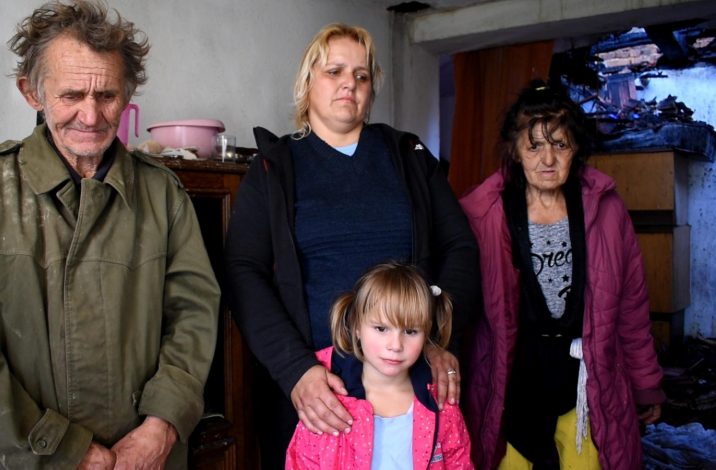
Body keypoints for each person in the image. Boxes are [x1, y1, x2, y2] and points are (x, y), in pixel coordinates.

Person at [0, 1, 220, 468]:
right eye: (71, 95)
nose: (90, 116)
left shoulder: (162, 193)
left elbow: (194, 316)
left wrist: (161, 426)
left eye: (106, 95)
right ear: (32, 92)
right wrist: (61, 451)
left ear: (126, 96)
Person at [224, 23, 480, 468]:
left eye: (362, 75)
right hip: (321, 389)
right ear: (307, 82)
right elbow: (242, 271)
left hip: (409, 381)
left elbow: (461, 247)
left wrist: (439, 338)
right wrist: (295, 369)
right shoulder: (274, 168)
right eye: (335, 71)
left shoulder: (408, 157)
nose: (350, 84)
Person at [459, 79, 665, 469]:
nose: (548, 159)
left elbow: (631, 307)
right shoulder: (483, 214)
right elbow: (461, 312)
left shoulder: (606, 210)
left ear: (576, 149)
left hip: (585, 384)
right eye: (534, 146)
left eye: (560, 144)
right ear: (515, 151)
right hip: (512, 383)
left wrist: (646, 384)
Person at [285, 262, 474, 469]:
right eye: (381, 329)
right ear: (356, 326)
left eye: (410, 331)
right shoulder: (327, 402)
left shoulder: (440, 402)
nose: (396, 345)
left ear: (427, 332)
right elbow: (302, 462)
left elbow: (459, 462)